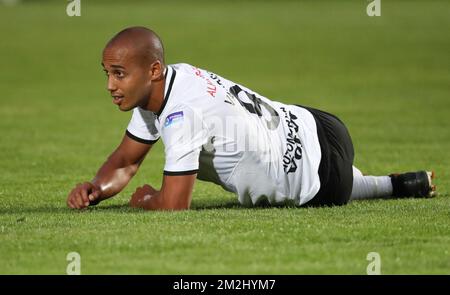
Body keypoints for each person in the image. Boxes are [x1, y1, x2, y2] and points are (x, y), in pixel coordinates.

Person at [66, 26, 436, 210]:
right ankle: (398, 185)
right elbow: (127, 159)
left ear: (153, 70)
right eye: (107, 73)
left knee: (307, 180)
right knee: (300, 171)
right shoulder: (172, 80)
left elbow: (174, 205)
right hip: (320, 124)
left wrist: (147, 201)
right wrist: (95, 190)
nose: (110, 85)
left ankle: (383, 184)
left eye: (119, 73)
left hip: (323, 180)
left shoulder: (181, 115)